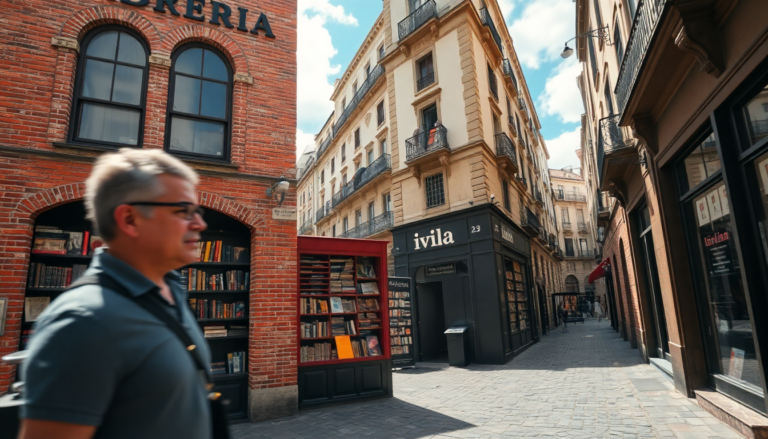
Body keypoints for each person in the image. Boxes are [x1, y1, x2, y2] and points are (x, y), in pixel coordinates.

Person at [19, 149, 212, 439]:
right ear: (130, 219)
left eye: (197, 211)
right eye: (182, 211)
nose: (200, 224)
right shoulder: (82, 324)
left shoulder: (171, 288)